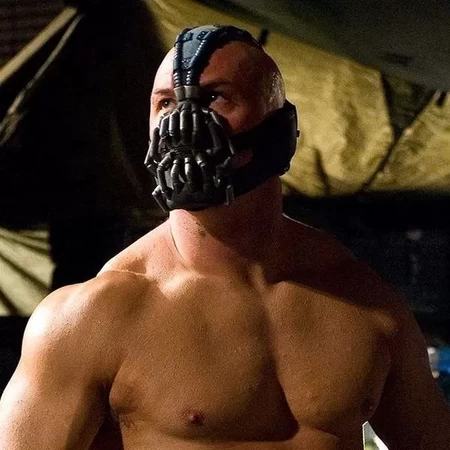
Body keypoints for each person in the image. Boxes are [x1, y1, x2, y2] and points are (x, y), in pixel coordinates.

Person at [1, 24, 450, 450]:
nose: (184, 123)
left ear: (281, 129)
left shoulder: (364, 302)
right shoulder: (90, 318)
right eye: (165, 104)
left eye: (215, 97)